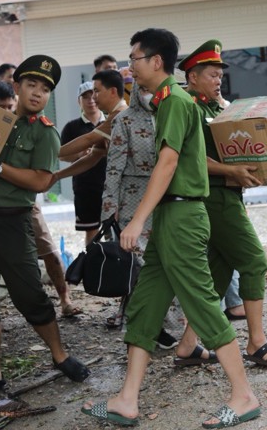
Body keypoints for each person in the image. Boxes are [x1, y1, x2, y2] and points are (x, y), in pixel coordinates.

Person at [81, 29, 261, 429]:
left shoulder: (176, 103)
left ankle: (243, 395)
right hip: (169, 215)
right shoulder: (167, 103)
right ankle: (127, 399)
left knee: (199, 300)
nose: (130, 66)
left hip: (181, 217)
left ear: (156, 61)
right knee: (145, 305)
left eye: (135, 58)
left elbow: (167, 163)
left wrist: (136, 221)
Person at [0, 56, 89, 402]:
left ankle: (60, 356)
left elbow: (43, 180)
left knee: (29, 293)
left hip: (11, 222)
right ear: (16, 87)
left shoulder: (44, 132)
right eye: (32, 85)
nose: (38, 93)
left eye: (46, 89)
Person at [176, 40, 267, 369]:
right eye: (211, 75)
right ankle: (256, 342)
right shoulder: (189, 108)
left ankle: (187, 346)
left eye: (219, 75)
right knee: (254, 261)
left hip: (227, 195)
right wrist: (232, 170)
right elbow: (192, 158)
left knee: (217, 273)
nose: (218, 80)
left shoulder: (216, 108)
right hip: (213, 198)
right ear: (192, 76)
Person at [54, 80, 185, 348]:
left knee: (161, 263)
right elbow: (109, 166)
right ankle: (147, 326)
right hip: (133, 203)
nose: (93, 97)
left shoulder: (169, 114)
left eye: (97, 91)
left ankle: (157, 324)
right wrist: (110, 211)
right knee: (140, 265)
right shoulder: (123, 120)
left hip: (163, 200)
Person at [0, 80, 80, 318]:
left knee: (48, 251)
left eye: (9, 106)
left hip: (24, 204)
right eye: (0, 107)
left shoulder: (27, 127)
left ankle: (64, 298)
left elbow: (51, 158)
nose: (7, 112)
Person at [59, 81, 108, 246]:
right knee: (91, 231)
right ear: (78, 101)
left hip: (111, 185)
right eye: (85, 97)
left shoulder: (110, 122)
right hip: (85, 187)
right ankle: (92, 266)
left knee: (114, 229)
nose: (90, 100)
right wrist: (79, 154)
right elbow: (61, 155)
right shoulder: (71, 127)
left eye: (93, 95)